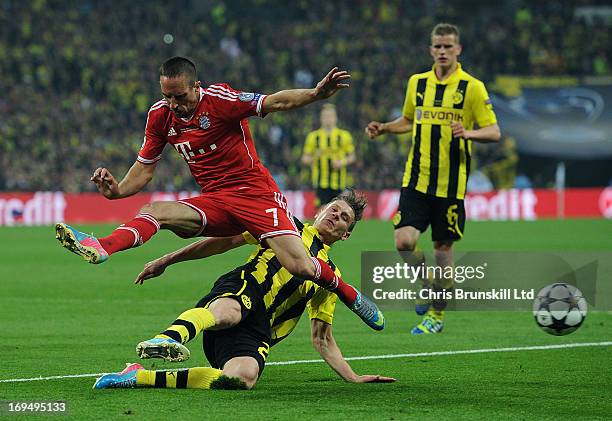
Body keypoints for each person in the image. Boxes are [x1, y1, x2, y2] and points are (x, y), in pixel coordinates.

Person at [55, 56, 378, 327]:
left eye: (180, 96)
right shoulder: (160, 116)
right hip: (216, 201)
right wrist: (118, 191)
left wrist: (315, 95)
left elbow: (274, 101)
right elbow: (145, 168)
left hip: (256, 196)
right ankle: (102, 247)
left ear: (197, 87)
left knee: (301, 267)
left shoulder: (220, 100)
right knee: (155, 210)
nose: (173, 104)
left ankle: (349, 293)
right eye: (167, 96)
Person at [93, 190, 393, 390]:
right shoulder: (284, 226)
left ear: (346, 234)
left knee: (242, 379)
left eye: (344, 218)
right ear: (321, 210)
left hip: (256, 328)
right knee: (230, 311)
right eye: (334, 209)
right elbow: (224, 241)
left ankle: (137, 375)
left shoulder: (330, 280)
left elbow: (322, 339)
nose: (336, 217)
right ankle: (167, 338)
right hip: (240, 290)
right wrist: (168, 259)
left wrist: (353, 378)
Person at [365, 23, 501, 334]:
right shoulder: (417, 83)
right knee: (404, 241)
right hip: (416, 178)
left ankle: (436, 317)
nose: (442, 51)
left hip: (451, 185)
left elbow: (494, 131)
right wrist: (385, 127)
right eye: (437, 46)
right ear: (431, 50)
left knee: (442, 251)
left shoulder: (473, 87)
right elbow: (410, 120)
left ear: (458, 50)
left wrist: (469, 132)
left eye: (448, 46)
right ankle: (425, 283)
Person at [301, 104, 356, 208]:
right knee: (323, 212)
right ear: (321, 118)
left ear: (335, 118)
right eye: (325, 116)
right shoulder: (313, 137)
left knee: (338, 211)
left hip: (339, 182)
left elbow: (352, 156)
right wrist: (314, 157)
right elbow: (305, 158)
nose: (328, 119)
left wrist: (341, 162)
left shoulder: (344, 136)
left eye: (330, 116)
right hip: (320, 182)